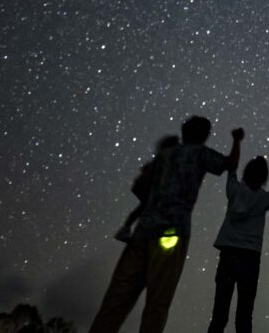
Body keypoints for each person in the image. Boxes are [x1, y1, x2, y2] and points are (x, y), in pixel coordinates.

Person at [88, 117, 243, 333]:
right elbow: (231, 164)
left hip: (143, 232)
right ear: (205, 135)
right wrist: (237, 140)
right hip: (172, 233)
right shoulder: (200, 153)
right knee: (157, 303)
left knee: (116, 299)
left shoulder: (164, 155)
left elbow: (140, 187)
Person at [207, 155, 269, 333]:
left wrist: (236, 142)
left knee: (219, 314)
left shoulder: (234, 190)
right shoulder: (264, 199)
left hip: (228, 254)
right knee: (244, 315)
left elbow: (231, 167)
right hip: (250, 257)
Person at [115, 135, 180, 242]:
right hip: (145, 186)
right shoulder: (164, 159)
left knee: (145, 207)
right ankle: (127, 230)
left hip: (144, 186)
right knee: (146, 206)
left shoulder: (162, 158)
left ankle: (127, 229)